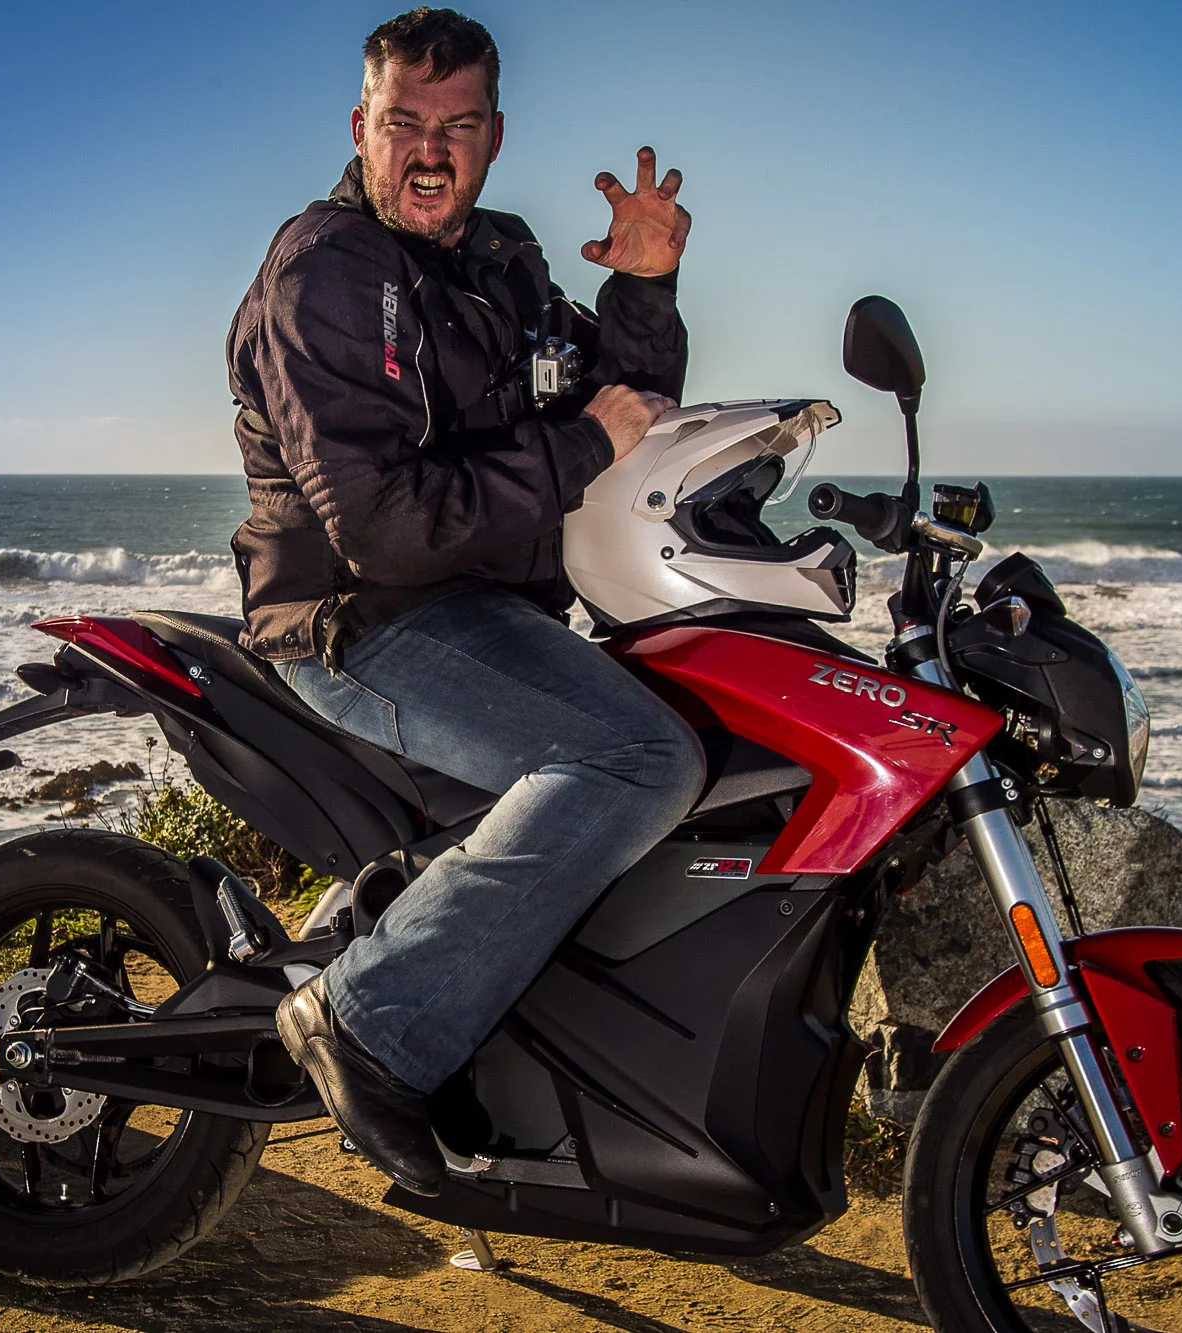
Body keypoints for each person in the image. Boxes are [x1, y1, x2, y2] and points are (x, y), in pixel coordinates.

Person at [229, 8, 706, 1195]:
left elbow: (619, 406)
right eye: (404, 123)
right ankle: (368, 1023)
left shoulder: (499, 255)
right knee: (636, 761)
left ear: (495, 135)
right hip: (360, 620)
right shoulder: (326, 271)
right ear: (362, 127)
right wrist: (572, 451)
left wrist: (648, 289)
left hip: (487, 613)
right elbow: (383, 528)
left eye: (456, 125)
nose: (429, 150)